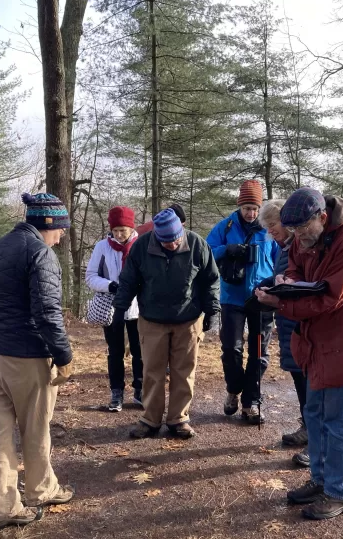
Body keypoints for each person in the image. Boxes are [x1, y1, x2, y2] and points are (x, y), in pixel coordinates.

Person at [256, 187, 343, 521]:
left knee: (340, 422)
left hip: (342, 345)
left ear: (322, 217)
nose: (298, 237)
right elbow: (294, 268)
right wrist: (284, 281)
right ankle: (321, 481)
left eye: (303, 229)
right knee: (317, 417)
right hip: (314, 344)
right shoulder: (306, 238)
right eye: (292, 231)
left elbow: (330, 298)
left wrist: (282, 301)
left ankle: (340, 492)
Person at [0, 193, 75, 531]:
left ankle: (1, 508)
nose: (62, 236)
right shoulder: (40, 253)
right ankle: (40, 490)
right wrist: (63, 355)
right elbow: (47, 314)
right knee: (35, 427)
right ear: (48, 224)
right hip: (26, 356)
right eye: (61, 229)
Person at [114, 208, 220, 439]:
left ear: (181, 230)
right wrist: (119, 309)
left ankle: (178, 418)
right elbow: (128, 281)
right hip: (152, 320)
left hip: (189, 319)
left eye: (175, 240)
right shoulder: (141, 247)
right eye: (166, 242)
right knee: (152, 371)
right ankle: (150, 419)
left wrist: (212, 310)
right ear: (156, 237)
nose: (172, 245)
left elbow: (210, 280)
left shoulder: (197, 244)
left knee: (184, 371)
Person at [206, 179, 278, 424]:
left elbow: (282, 260)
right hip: (232, 297)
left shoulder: (268, 229)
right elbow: (206, 252)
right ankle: (233, 389)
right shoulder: (225, 226)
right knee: (231, 349)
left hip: (262, 298)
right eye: (247, 208)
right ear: (240, 206)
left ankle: (251, 402)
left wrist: (276, 286)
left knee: (259, 352)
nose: (251, 213)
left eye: (255, 208)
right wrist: (228, 250)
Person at [256, 200, 309, 467]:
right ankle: (306, 426)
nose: (270, 232)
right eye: (267, 227)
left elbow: (301, 282)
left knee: (309, 379)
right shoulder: (284, 247)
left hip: (300, 321)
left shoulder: (300, 247)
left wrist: (277, 291)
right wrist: (267, 286)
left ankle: (316, 439)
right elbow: (283, 276)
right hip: (287, 319)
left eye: (273, 225)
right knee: (298, 376)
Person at [86, 206, 142, 412]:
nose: (118, 235)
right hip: (112, 308)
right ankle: (116, 392)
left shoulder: (141, 245)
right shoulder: (102, 247)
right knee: (115, 352)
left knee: (140, 351)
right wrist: (110, 285)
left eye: (123, 230)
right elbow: (90, 276)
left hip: (138, 308)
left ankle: (140, 389)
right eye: (115, 230)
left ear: (131, 228)